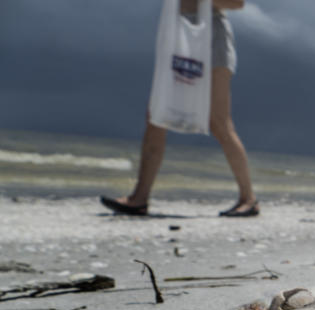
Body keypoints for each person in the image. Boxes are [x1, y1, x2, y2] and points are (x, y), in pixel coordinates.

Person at [101, 0, 258, 217]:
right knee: (156, 114)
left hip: (211, 34)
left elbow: (237, 3)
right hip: (177, 32)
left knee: (218, 121)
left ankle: (248, 198)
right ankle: (139, 197)